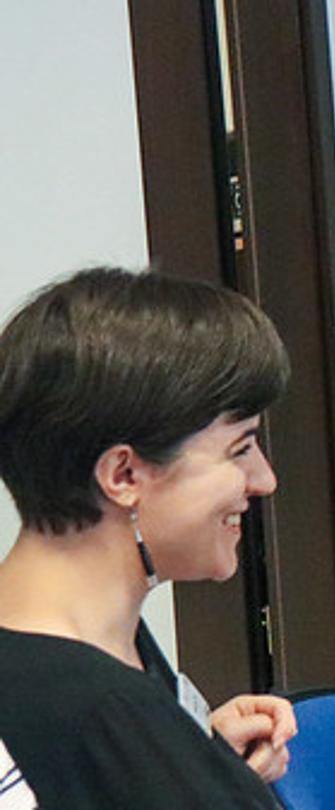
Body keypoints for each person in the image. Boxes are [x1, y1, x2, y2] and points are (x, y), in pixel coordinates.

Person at [0, 267, 297, 808]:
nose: (264, 480)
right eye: (240, 449)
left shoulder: (109, 663)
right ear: (124, 476)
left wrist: (199, 762)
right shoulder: (97, 714)